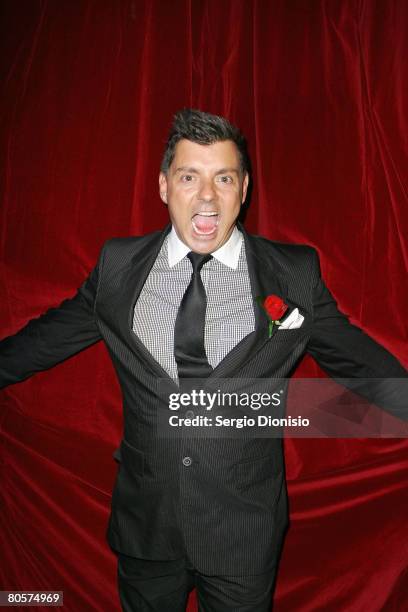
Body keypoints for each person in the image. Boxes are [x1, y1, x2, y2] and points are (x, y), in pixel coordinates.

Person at [0, 109, 406, 611]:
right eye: (190, 177)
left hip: (243, 532)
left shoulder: (293, 274)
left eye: (224, 178)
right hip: (146, 527)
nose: (207, 197)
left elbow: (362, 366)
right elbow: (44, 341)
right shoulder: (118, 266)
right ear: (165, 186)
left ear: (244, 188)